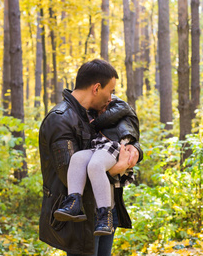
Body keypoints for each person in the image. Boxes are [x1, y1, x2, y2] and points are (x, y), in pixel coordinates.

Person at [38, 59, 142, 256]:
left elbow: (122, 134)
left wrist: (134, 150)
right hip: (80, 215)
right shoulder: (60, 120)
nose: (112, 97)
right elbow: (70, 175)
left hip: (106, 209)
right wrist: (119, 166)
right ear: (96, 88)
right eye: (110, 90)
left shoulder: (98, 112)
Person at [53, 95, 139, 236]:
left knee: (95, 165)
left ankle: (105, 216)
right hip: (98, 146)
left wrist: (94, 122)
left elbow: (110, 117)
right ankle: (74, 202)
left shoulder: (118, 104)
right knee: (78, 158)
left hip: (115, 145)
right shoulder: (93, 108)